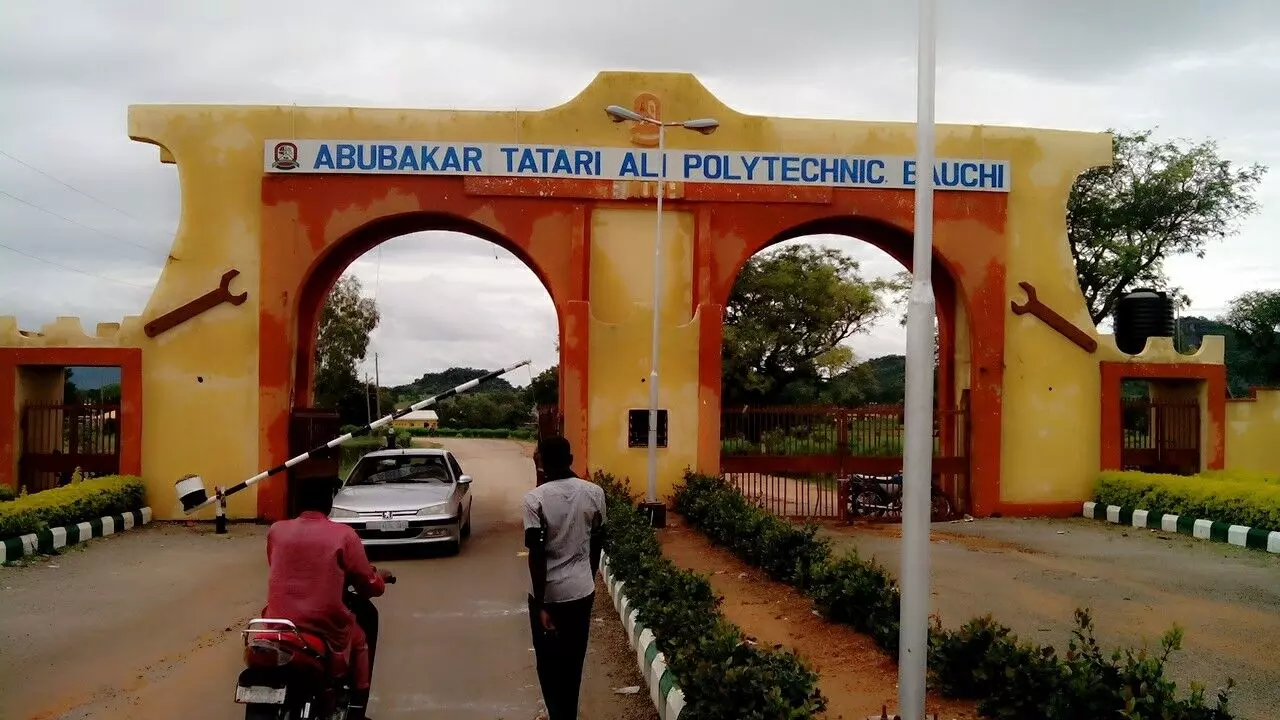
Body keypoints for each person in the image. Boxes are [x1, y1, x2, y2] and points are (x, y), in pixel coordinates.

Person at [264, 478, 391, 720]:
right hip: (323, 624)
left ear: (297, 503)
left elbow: (276, 564)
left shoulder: (276, 531)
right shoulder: (344, 535)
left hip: (277, 622)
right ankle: (357, 708)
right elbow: (368, 584)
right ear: (329, 503)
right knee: (360, 639)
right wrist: (379, 578)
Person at [523, 436, 607, 720]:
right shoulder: (595, 493)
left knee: (548, 665)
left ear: (542, 463)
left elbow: (537, 553)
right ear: (571, 460)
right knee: (573, 662)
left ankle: (557, 715)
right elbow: (597, 542)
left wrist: (542, 605)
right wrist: (589, 580)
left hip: (548, 596)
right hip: (581, 591)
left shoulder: (534, 500)